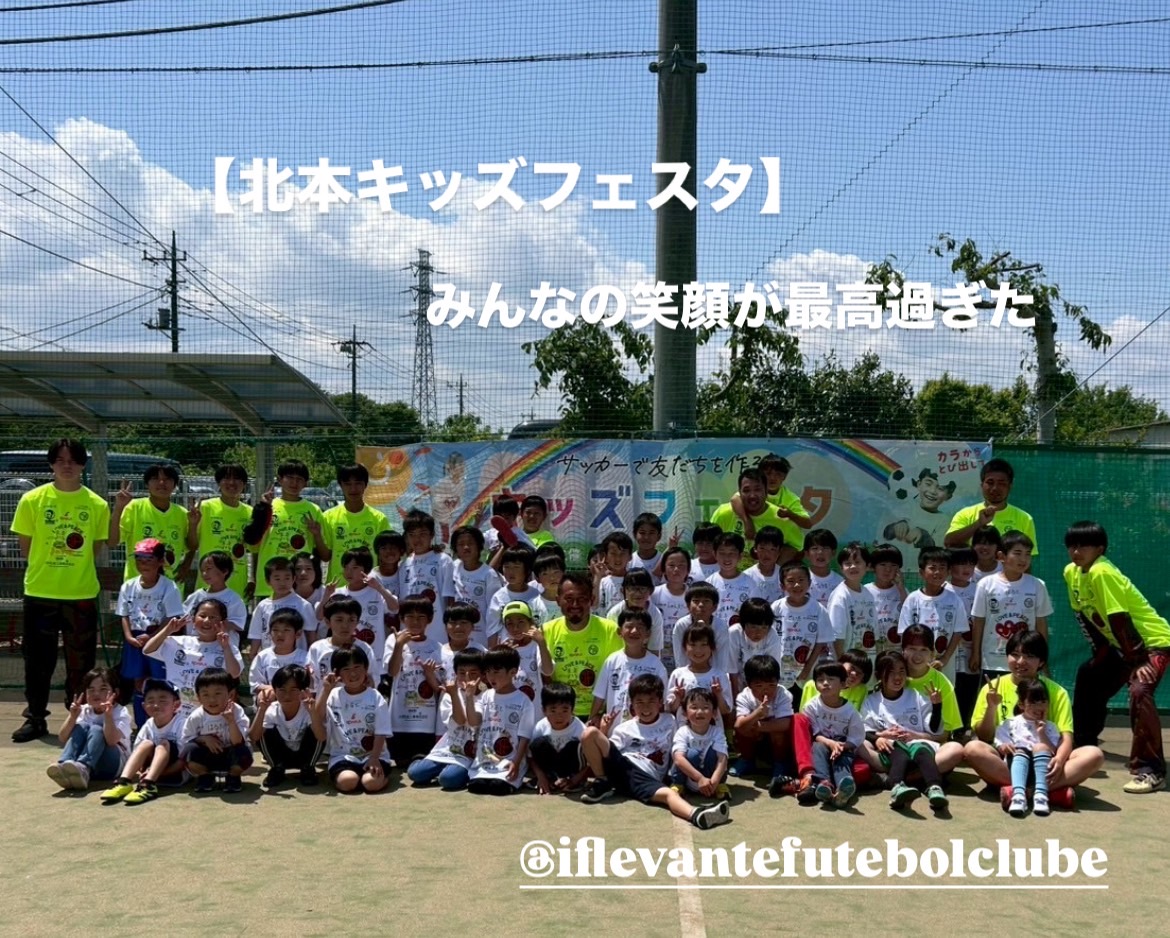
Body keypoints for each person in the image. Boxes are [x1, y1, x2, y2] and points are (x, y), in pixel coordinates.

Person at [10, 438, 111, 743]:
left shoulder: (97, 504)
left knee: (81, 662)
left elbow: (94, 549)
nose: (67, 465)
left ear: (83, 465)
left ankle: (77, 718)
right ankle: (36, 718)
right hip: (40, 591)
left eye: (73, 460)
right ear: (51, 464)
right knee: (37, 660)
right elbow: (26, 547)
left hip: (80, 594)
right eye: (60, 460)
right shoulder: (32, 499)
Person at [1065, 520, 1170, 794]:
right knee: (1088, 674)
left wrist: (1138, 662)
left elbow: (1119, 619)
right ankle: (1083, 745)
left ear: (1100, 549)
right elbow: (1084, 618)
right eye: (1072, 545)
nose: (1076, 551)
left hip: (1152, 644)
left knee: (1139, 690)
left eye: (1084, 546)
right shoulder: (1071, 573)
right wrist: (1100, 654)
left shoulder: (1102, 572)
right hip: (1122, 646)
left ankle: (1151, 770)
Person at [963, 630, 1105, 809]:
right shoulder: (991, 688)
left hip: (1045, 762)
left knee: (1094, 754)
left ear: (1041, 662)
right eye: (1015, 654)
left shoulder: (1058, 692)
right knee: (972, 748)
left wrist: (1060, 760)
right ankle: (1047, 792)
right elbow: (984, 736)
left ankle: (1020, 791)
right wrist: (991, 706)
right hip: (1008, 762)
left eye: (1029, 656)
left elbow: (1066, 738)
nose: (1021, 661)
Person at [580, 674, 731, 829]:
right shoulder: (624, 728)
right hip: (622, 764)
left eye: (651, 701)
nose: (645, 707)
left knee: (669, 794)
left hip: (645, 778)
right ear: (632, 704)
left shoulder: (670, 721)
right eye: (640, 702)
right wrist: (604, 731)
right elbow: (606, 753)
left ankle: (698, 815)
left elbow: (681, 748)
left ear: (660, 702)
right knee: (589, 733)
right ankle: (602, 781)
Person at [860, 650, 948, 811]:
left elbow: (934, 729)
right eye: (891, 672)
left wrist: (937, 707)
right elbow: (864, 730)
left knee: (938, 749)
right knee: (872, 746)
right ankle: (897, 786)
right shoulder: (871, 701)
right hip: (890, 749)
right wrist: (879, 737)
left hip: (916, 745)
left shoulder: (915, 696)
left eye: (901, 671)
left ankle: (934, 788)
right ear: (879, 675)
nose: (897, 677)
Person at [117, 538, 185, 726]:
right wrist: (128, 636)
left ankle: (162, 723)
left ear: (160, 561)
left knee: (158, 681)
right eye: (139, 559)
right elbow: (124, 614)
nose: (143, 564)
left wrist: (154, 637)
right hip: (135, 640)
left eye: (149, 559)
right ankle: (141, 725)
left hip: (159, 640)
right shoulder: (128, 586)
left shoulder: (169, 587)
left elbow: (171, 617)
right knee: (138, 682)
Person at [142, 599, 244, 723]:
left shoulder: (227, 647)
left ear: (222, 622)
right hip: (176, 713)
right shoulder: (178, 642)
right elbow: (147, 650)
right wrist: (167, 630)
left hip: (208, 714)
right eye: (202, 616)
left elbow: (234, 673)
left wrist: (226, 647)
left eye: (213, 617)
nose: (206, 621)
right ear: (193, 619)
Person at [970, 530, 1052, 680]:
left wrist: (1043, 657)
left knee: (1025, 695)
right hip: (993, 661)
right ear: (1001, 556)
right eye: (1018, 553)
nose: (1023, 559)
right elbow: (979, 621)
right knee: (994, 695)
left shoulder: (1037, 585)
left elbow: (1041, 623)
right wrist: (975, 653)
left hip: (1026, 662)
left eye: (1028, 554)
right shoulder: (985, 584)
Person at [246, 460, 330, 601]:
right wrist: (253, 578)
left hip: (300, 585)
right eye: (290, 477)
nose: (294, 483)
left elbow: (324, 554)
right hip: (270, 583)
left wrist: (316, 535)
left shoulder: (313, 510)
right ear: (280, 479)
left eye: (299, 479)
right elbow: (255, 547)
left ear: (305, 483)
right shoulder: (268, 506)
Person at [544, 573, 622, 720]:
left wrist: (600, 715)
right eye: (569, 599)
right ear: (558, 600)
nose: (575, 605)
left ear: (591, 600)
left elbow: (619, 675)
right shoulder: (545, 632)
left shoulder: (610, 630)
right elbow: (543, 678)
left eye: (582, 599)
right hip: (560, 717)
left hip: (601, 716)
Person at [314, 647, 392, 794]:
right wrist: (325, 690)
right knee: (348, 782)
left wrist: (374, 758)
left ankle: (383, 778)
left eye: (357, 667)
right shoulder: (333, 695)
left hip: (374, 755)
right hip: (343, 756)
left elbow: (381, 732)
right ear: (337, 673)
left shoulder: (375, 696)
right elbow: (317, 717)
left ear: (366, 668)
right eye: (346, 669)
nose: (353, 673)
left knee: (371, 783)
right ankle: (344, 777)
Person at [100, 678, 186, 805]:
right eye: (151, 701)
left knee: (163, 744)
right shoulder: (148, 724)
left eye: (162, 701)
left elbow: (184, 762)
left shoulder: (182, 724)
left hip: (174, 774)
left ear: (176, 705)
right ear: (144, 706)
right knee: (146, 743)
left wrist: (158, 773)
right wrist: (143, 770)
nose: (156, 705)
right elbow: (138, 755)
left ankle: (149, 786)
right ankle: (124, 782)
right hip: (149, 771)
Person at [407, 649, 484, 791]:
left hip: (469, 754)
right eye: (462, 673)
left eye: (473, 673)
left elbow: (473, 722)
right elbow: (459, 720)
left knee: (448, 779)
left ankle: (458, 772)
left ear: (483, 674)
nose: (467, 677)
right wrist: (454, 695)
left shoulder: (487, 696)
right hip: (448, 748)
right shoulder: (449, 694)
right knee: (415, 774)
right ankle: (422, 760)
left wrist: (469, 697)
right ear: (455, 674)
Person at [47, 666, 131, 791]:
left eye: (103, 689)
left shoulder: (120, 712)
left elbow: (112, 741)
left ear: (115, 693)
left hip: (112, 765)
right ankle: (65, 764)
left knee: (96, 729)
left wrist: (108, 716)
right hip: (91, 768)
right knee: (80, 727)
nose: (96, 693)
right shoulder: (84, 710)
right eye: (91, 690)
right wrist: (72, 717)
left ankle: (83, 767)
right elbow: (62, 738)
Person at [467, 646, 535, 795]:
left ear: (513, 672)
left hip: (509, 759)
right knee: (477, 786)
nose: (491, 676)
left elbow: (524, 737)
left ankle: (510, 779)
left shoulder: (523, 701)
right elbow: (473, 721)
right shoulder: (485, 696)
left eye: (496, 671)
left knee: (498, 787)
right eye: (488, 671)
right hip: (484, 760)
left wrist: (516, 762)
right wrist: (469, 697)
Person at [386, 595, 445, 767]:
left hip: (425, 721)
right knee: (400, 761)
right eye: (410, 616)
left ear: (429, 619)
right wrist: (399, 645)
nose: (415, 621)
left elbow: (438, 686)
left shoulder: (437, 647)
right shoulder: (394, 641)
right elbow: (392, 671)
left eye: (421, 617)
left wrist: (429, 674)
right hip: (399, 719)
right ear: (402, 619)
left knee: (420, 759)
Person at [109, 462, 191, 584]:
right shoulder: (133, 507)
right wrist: (118, 508)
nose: (161, 483)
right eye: (155, 479)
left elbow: (191, 546)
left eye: (167, 479)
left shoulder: (183, 514)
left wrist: (186, 565)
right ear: (147, 484)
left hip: (171, 586)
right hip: (138, 586)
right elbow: (111, 542)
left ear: (175, 484)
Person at [944, 457, 1037, 559]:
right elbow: (949, 543)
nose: (995, 488)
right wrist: (979, 523)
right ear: (982, 485)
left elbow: (1027, 559)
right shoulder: (965, 514)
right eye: (990, 482)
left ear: (1010, 486)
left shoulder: (1025, 518)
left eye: (1001, 483)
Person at [250, 663, 326, 789]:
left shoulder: (308, 709)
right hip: (282, 755)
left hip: (304, 754)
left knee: (317, 726)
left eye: (293, 690)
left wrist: (313, 712)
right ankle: (276, 768)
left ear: (303, 691)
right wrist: (261, 710)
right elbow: (254, 737)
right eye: (282, 690)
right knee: (262, 730)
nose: (287, 695)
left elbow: (322, 737)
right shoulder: (271, 709)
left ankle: (308, 768)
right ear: (275, 690)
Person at [179, 667, 253, 794]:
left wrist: (231, 721)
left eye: (217, 694)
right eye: (206, 695)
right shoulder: (196, 716)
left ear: (230, 694)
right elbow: (186, 740)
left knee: (243, 751)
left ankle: (233, 777)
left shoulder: (236, 711)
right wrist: (204, 739)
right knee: (188, 751)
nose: (212, 699)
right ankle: (205, 776)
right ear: (199, 697)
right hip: (207, 757)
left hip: (231, 755)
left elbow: (238, 741)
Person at [898, 547, 965, 682]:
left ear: (948, 572)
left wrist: (945, 658)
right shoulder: (912, 599)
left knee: (942, 693)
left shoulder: (955, 600)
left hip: (943, 665)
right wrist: (916, 658)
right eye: (932, 568)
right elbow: (904, 634)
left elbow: (958, 633)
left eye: (942, 568)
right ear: (922, 572)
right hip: (916, 665)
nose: (937, 572)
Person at [590, 609, 668, 725]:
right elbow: (599, 696)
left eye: (640, 627)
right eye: (629, 626)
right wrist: (591, 720)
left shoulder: (656, 665)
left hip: (645, 730)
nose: (634, 631)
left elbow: (662, 702)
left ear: (648, 633)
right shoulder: (612, 661)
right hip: (614, 730)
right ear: (619, 631)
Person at [803, 661, 865, 807]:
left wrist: (841, 746)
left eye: (831, 679)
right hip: (822, 743)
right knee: (818, 747)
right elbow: (815, 734)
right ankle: (824, 784)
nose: (825, 683)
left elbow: (856, 737)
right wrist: (831, 743)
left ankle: (844, 788)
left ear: (843, 684)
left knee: (842, 759)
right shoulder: (811, 706)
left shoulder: (850, 711)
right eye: (820, 680)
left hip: (843, 746)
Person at [995, 678, 1060, 817]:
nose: (1039, 707)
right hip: (1016, 767)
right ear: (1021, 704)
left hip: (1042, 771)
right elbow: (1000, 743)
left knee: (1040, 747)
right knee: (1021, 751)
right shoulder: (1011, 723)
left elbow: (1053, 751)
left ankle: (1041, 795)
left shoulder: (1051, 727)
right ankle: (1018, 795)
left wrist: (1041, 732)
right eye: (1033, 702)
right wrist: (1005, 747)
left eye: (1043, 701)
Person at [187, 463, 251, 597]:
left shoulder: (250, 512)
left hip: (238, 585)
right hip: (207, 585)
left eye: (237, 479)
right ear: (218, 482)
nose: (232, 483)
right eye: (226, 478)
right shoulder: (205, 507)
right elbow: (192, 545)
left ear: (244, 484)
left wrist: (253, 579)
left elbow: (255, 550)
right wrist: (192, 525)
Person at [325, 546, 399, 662]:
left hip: (375, 657)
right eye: (346, 567)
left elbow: (395, 608)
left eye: (355, 568)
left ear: (366, 569)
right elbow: (319, 617)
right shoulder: (337, 593)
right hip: (345, 659)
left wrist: (379, 588)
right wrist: (326, 596)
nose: (349, 572)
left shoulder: (376, 592)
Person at [322, 464, 392, 585]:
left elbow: (385, 556)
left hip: (369, 587)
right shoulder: (328, 517)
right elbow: (325, 556)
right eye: (348, 484)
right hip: (337, 587)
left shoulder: (379, 519)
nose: (353, 489)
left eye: (358, 483)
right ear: (341, 485)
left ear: (365, 485)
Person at [731, 654, 793, 790]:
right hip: (754, 736)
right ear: (749, 684)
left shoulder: (783, 694)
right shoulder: (744, 696)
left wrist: (759, 726)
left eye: (771, 685)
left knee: (778, 730)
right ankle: (747, 760)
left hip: (774, 738)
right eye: (759, 685)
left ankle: (780, 763)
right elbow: (739, 725)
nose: (766, 690)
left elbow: (785, 723)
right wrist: (757, 714)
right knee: (742, 730)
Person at [713, 466, 805, 557]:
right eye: (746, 490)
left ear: (766, 491)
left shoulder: (782, 519)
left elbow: (797, 547)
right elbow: (709, 543)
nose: (752, 495)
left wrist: (775, 566)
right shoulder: (723, 513)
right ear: (739, 493)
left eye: (757, 490)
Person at [771, 562, 832, 698]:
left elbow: (820, 643)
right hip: (780, 672)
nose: (797, 585)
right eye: (791, 581)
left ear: (809, 583)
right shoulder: (776, 607)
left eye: (801, 580)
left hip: (806, 673)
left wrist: (807, 669)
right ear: (782, 586)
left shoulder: (818, 609)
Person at [399, 509, 455, 640]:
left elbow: (450, 599)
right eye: (412, 534)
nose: (417, 539)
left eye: (422, 534)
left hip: (438, 633)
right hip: (409, 634)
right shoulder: (404, 564)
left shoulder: (443, 560)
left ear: (432, 535)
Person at [666, 622, 732, 733]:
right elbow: (670, 709)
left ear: (712, 648)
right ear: (685, 648)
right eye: (693, 645)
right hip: (684, 734)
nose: (698, 650)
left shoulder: (720, 676)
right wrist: (678, 697)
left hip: (712, 735)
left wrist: (718, 695)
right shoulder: (678, 675)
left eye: (703, 645)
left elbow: (726, 710)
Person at [306, 596, 379, 694]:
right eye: (339, 620)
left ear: (357, 622)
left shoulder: (364, 649)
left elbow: (373, 681)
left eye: (351, 620)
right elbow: (311, 685)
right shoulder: (317, 648)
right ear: (327, 622)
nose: (345, 625)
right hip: (325, 702)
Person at [670, 687, 731, 801]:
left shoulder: (717, 732)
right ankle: (679, 785)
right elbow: (678, 759)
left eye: (705, 708)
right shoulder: (682, 732)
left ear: (714, 713)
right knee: (691, 754)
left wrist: (715, 781)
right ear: (685, 712)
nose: (699, 712)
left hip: (711, 780)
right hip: (690, 777)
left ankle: (719, 785)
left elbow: (722, 758)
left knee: (716, 754)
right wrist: (700, 778)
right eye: (694, 707)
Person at [248, 557, 316, 655]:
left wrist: (312, 657)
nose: (282, 583)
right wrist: (253, 655)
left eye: (287, 578)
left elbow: (311, 635)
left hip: (296, 659)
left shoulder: (303, 605)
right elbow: (256, 634)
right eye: (277, 579)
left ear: (293, 579)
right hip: (270, 659)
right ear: (268, 581)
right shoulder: (262, 606)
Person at [530, 682, 589, 795]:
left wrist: (574, 780)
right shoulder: (541, 727)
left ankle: (571, 780)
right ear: (544, 710)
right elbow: (530, 756)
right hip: (551, 767)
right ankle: (550, 778)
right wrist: (541, 776)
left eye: (565, 710)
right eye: (553, 711)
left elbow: (591, 761)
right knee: (538, 743)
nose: (559, 716)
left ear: (572, 709)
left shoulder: (579, 728)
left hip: (572, 769)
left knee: (575, 745)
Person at [947, 547, 981, 735]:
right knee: (950, 687)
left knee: (968, 688)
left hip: (970, 650)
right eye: (961, 564)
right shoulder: (943, 589)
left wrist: (976, 651)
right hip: (947, 652)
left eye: (970, 564)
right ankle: (947, 728)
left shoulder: (979, 590)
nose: (966, 568)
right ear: (950, 567)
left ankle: (963, 730)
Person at [705, 532, 764, 639]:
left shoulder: (750, 583)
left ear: (740, 556)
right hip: (715, 637)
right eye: (722, 553)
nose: (727, 557)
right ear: (714, 554)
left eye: (731, 553)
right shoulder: (709, 583)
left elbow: (757, 613)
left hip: (741, 638)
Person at [827, 542, 877, 663]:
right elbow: (837, 636)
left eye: (857, 562)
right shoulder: (840, 596)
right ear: (841, 568)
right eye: (848, 563)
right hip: (847, 663)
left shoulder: (868, 593)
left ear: (867, 566)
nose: (853, 566)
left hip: (866, 661)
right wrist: (843, 664)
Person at [486, 545, 548, 643]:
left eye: (516, 567)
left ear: (527, 569)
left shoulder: (535, 594)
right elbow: (492, 629)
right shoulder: (498, 597)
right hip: (508, 647)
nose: (511, 572)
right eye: (507, 567)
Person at [450, 524, 504, 634]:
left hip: (481, 634)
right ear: (455, 549)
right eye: (461, 544)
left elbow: (494, 610)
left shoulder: (489, 574)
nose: (466, 547)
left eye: (470, 543)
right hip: (457, 634)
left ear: (479, 546)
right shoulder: (453, 567)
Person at [497, 600, 554, 703]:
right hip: (512, 705)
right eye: (510, 623)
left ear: (530, 623)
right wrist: (504, 657)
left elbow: (548, 671)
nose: (515, 628)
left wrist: (542, 643)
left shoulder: (536, 645)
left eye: (521, 622)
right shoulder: (504, 647)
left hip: (536, 707)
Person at [726, 598, 783, 695]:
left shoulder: (772, 635)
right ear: (743, 623)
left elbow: (773, 669)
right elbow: (732, 667)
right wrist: (735, 694)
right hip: (737, 681)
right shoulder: (734, 633)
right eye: (753, 627)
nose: (758, 633)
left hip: (762, 683)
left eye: (764, 628)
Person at [248, 608, 309, 698]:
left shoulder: (305, 658)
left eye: (286, 630)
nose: (280, 634)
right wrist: (278, 691)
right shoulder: (262, 657)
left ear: (298, 634)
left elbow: (309, 686)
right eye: (275, 630)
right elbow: (255, 684)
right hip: (270, 699)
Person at [184, 552, 247, 634]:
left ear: (224, 571)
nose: (204, 574)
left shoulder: (234, 599)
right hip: (194, 641)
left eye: (209, 569)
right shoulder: (196, 596)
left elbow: (238, 624)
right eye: (202, 570)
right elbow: (183, 616)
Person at [606, 569, 665, 656]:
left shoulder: (655, 614)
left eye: (642, 589)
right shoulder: (614, 613)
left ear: (651, 590)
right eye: (632, 589)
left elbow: (654, 649)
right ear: (623, 590)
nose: (637, 593)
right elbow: (611, 646)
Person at [651, 547, 691, 672]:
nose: (676, 569)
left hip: (685, 655)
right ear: (663, 569)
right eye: (671, 565)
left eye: (681, 565)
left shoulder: (693, 596)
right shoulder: (654, 594)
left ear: (688, 569)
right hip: (658, 654)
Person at [865, 543, 906, 658]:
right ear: (873, 567)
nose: (888, 569)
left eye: (893, 565)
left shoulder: (903, 592)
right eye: (882, 564)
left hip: (895, 652)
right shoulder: (865, 591)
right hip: (870, 651)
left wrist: (901, 588)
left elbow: (910, 615)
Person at [593, 531, 634, 613]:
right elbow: (593, 605)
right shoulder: (602, 582)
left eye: (622, 553)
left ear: (630, 556)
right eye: (613, 553)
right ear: (605, 556)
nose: (618, 558)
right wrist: (597, 577)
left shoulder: (635, 580)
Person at [744, 525, 785, 605]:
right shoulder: (746, 576)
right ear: (755, 548)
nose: (766, 554)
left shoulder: (785, 575)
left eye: (772, 549)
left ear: (779, 551)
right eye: (762, 548)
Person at [803, 529, 842, 607]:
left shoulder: (840, 582)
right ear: (807, 553)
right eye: (815, 548)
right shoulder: (799, 580)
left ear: (833, 552)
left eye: (825, 548)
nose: (820, 552)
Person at [628, 511, 664, 583]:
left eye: (651, 533)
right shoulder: (629, 561)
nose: (646, 537)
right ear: (634, 535)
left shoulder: (664, 561)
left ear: (659, 536)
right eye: (642, 533)